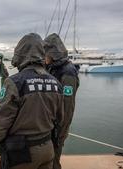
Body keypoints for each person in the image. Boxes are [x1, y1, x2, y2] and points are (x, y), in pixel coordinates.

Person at [0, 33, 64, 169]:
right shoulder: (56, 84)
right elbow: (60, 119)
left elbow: (2, 120)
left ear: (20, 53)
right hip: (47, 149)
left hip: (21, 154)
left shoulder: (14, 83)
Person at [43, 33, 79, 169]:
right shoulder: (52, 68)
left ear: (52, 53)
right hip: (49, 125)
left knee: (53, 162)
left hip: (58, 128)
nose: (43, 57)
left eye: (45, 53)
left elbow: (67, 107)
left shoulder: (68, 73)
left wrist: (60, 132)